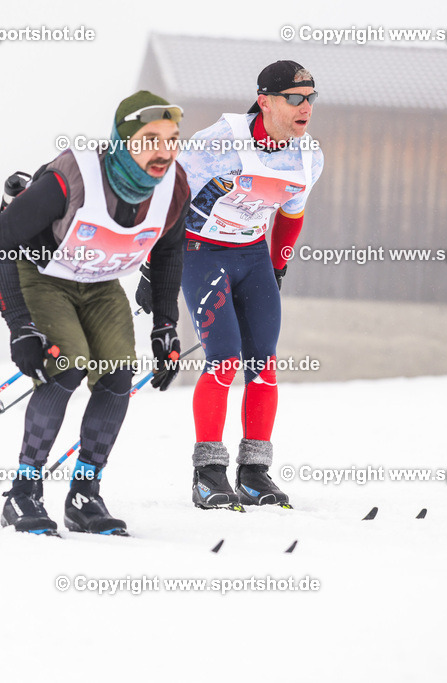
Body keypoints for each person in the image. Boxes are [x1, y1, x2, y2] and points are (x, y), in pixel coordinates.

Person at [0, 91, 191, 535]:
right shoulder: (73, 177)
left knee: (117, 372)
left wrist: (165, 325)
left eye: (172, 139)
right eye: (150, 138)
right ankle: (24, 492)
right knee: (69, 362)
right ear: (123, 140)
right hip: (42, 274)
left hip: (99, 282)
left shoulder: (175, 186)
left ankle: (84, 495)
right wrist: (20, 327)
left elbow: (172, 250)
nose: (164, 151)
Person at [139, 61, 324, 509]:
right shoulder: (217, 143)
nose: (306, 109)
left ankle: (255, 472)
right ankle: (208, 472)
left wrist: (277, 267)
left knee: (263, 365)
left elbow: (290, 217)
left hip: (253, 256)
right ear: (265, 100)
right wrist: (153, 267)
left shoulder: (307, 156)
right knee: (223, 360)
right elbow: (166, 199)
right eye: (296, 98)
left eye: (311, 99)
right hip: (201, 254)